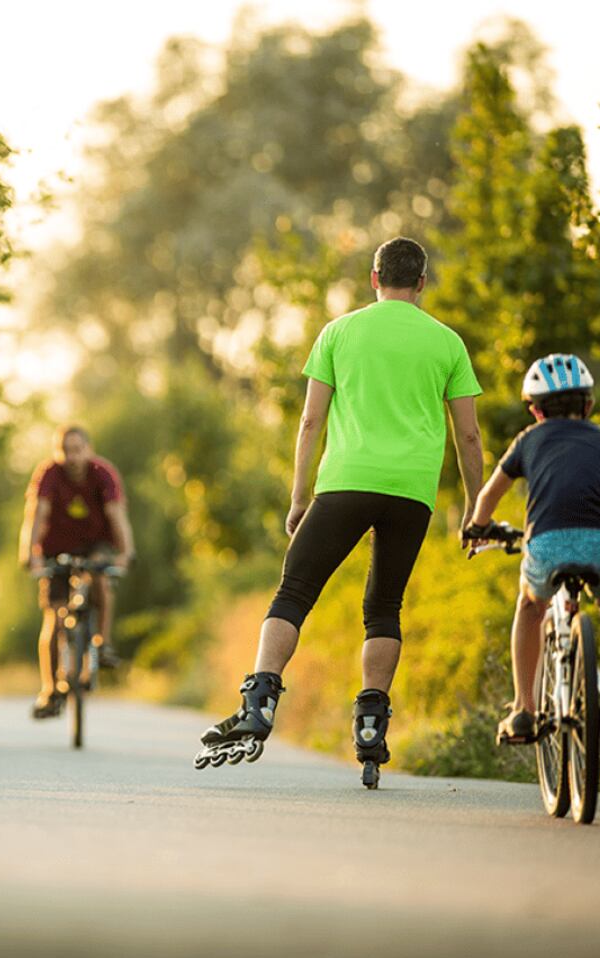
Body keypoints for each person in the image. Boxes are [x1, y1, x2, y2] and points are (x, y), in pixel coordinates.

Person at [193, 237, 486, 781]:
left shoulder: (338, 332)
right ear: (422, 282)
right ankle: (371, 723)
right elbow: (468, 436)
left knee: (294, 592)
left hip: (345, 482)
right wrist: (475, 508)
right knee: (384, 607)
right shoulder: (447, 342)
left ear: (374, 278)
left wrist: (299, 496)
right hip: (412, 492)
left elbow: (310, 422)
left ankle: (259, 701)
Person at [463, 353, 600, 742]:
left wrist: (478, 526)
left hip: (546, 543)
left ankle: (524, 708)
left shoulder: (528, 440)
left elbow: (488, 496)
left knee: (529, 608)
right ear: (588, 405)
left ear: (535, 410)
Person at [19, 425, 135, 719]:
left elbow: (116, 514)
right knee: (54, 617)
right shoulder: (49, 473)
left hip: (96, 544)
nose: (72, 457)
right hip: (56, 548)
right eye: (65, 451)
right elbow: (37, 513)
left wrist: (126, 553)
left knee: (100, 579)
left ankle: (102, 644)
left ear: (89, 449)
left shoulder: (103, 473)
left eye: (77, 450)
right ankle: (49, 689)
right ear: (57, 452)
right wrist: (29, 553)